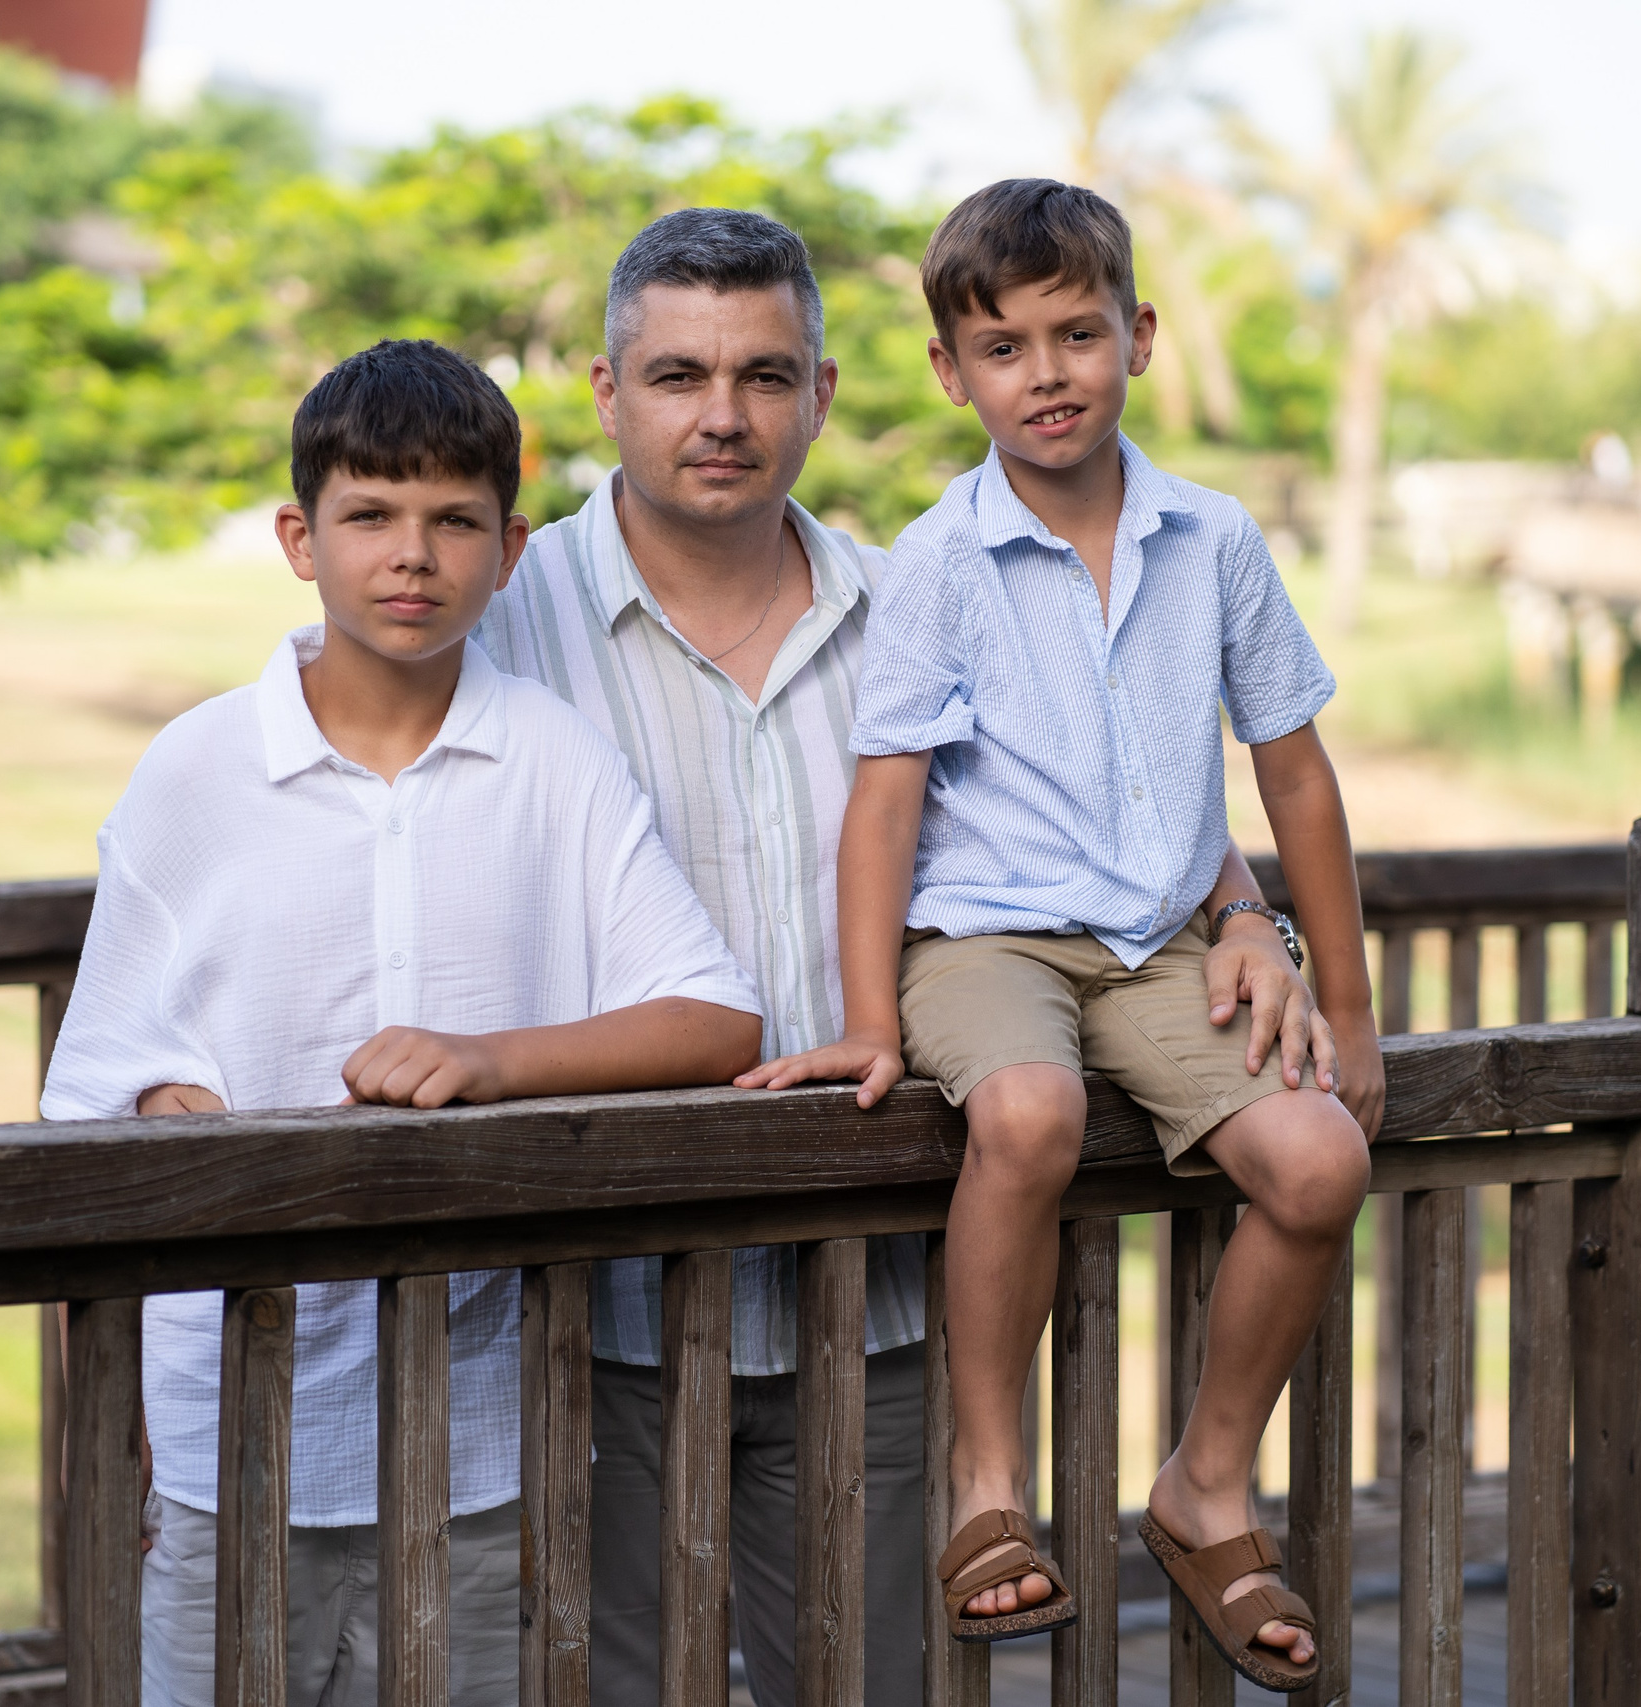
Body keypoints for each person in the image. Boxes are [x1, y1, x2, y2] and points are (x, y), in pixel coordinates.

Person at [477, 208, 1325, 1706]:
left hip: (871, 1294)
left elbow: (1119, 796)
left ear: (823, 391)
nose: (723, 415)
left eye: (765, 373)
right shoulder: (500, 622)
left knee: (874, 1684)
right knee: (604, 1681)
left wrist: (1249, 915)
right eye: (678, 375)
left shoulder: (931, 592)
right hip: (592, 1299)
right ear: (607, 396)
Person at [40, 338, 765, 1707]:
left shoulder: (550, 754)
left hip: (474, 1430)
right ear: (298, 539)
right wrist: (161, 1114)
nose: (412, 555)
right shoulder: (196, 769)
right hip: (221, 1428)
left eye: (453, 521)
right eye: (370, 515)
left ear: (510, 546)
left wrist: (493, 1062)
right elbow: (100, 1084)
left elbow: (716, 1015)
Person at [741, 179, 1380, 1693]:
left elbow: (1292, 771)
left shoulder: (1214, 542)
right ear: (953, 373)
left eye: (1077, 333)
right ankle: (985, 1477)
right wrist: (871, 1017)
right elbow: (884, 808)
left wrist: (1342, 1011)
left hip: (1165, 946)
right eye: (1003, 346)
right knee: (1024, 1113)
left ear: (1139, 339)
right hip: (989, 946)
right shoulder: (939, 564)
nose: (1046, 373)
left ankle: (1204, 1485)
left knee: (1321, 1161)